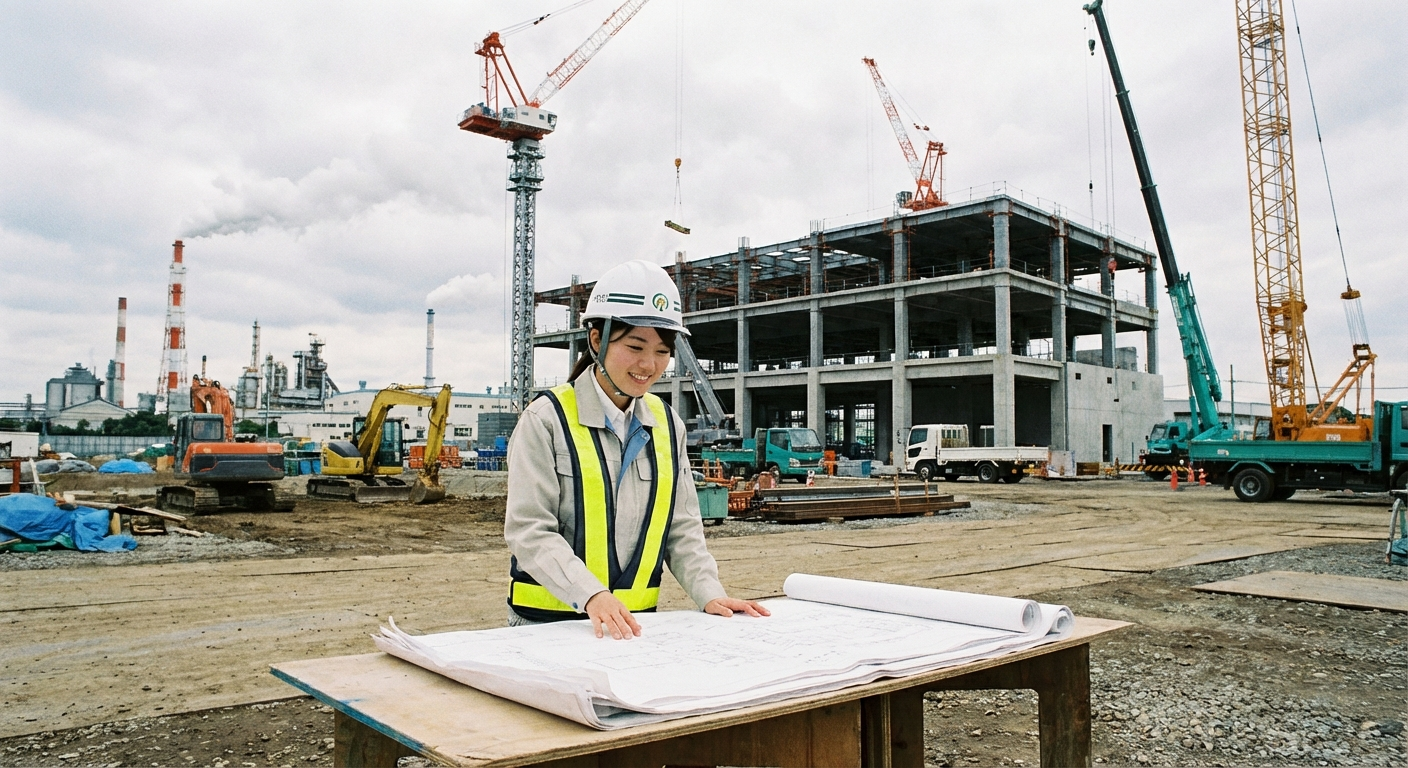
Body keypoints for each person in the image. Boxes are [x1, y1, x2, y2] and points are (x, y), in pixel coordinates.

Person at [504, 259, 769, 639]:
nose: (649, 364)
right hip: (546, 628)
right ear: (597, 339)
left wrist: (710, 594)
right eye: (635, 346)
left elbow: (681, 527)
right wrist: (591, 595)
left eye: (663, 351)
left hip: (633, 631)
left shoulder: (667, 424)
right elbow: (529, 530)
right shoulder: (547, 420)